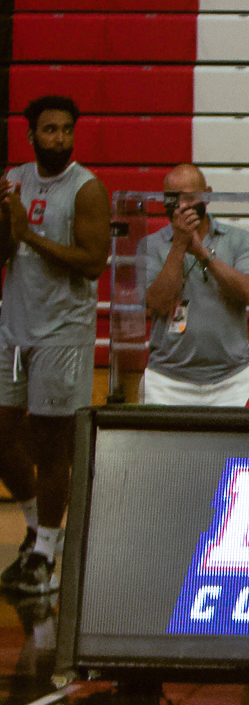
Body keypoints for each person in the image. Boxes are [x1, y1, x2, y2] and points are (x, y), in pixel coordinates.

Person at [0, 95, 109, 594]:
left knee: (51, 441)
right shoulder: (13, 179)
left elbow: (91, 262)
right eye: (49, 130)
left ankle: (46, 551)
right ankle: (32, 530)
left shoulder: (86, 189)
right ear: (30, 135)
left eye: (67, 129)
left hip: (62, 334)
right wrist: (7, 229)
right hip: (15, 327)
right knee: (3, 436)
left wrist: (29, 234)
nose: (59, 138)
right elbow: (6, 250)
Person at [138, 163, 249, 406]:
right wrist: (179, 245)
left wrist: (204, 254)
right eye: (173, 199)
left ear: (207, 194)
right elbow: (157, 304)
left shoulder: (239, 239)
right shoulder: (150, 245)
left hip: (232, 379)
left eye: (190, 197)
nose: (183, 206)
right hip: (167, 380)